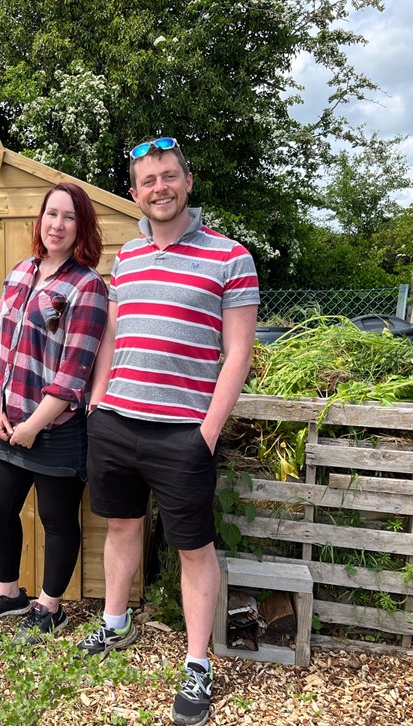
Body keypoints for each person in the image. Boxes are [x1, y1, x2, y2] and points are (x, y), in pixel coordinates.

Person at [76, 138, 259, 726]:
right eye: (149, 179)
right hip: (117, 423)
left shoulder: (231, 258)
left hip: (183, 432)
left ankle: (198, 664)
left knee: (193, 547)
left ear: (188, 181)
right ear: (135, 192)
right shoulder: (125, 258)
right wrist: (99, 402)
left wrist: (206, 432)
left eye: (169, 176)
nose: (160, 187)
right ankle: (114, 623)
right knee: (122, 524)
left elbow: (238, 355)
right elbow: (111, 336)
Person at [0, 182, 108, 642]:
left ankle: (50, 607)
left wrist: (33, 425)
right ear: (40, 220)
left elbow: (74, 374)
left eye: (69, 217)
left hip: (56, 428)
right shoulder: (20, 273)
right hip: (8, 423)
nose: (57, 225)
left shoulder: (87, 286)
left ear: (81, 226)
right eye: (51, 214)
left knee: (57, 519)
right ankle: (9, 594)